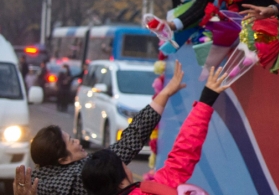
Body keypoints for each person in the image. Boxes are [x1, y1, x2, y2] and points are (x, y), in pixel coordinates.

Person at [31, 61, 186, 195]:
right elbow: (131, 140)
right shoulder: (81, 178)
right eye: (71, 141)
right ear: (63, 159)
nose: (78, 142)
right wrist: (165, 93)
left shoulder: (35, 183)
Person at [80, 66, 229, 195]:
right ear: (120, 182)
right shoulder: (155, 188)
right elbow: (184, 151)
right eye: (123, 165)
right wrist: (207, 98)